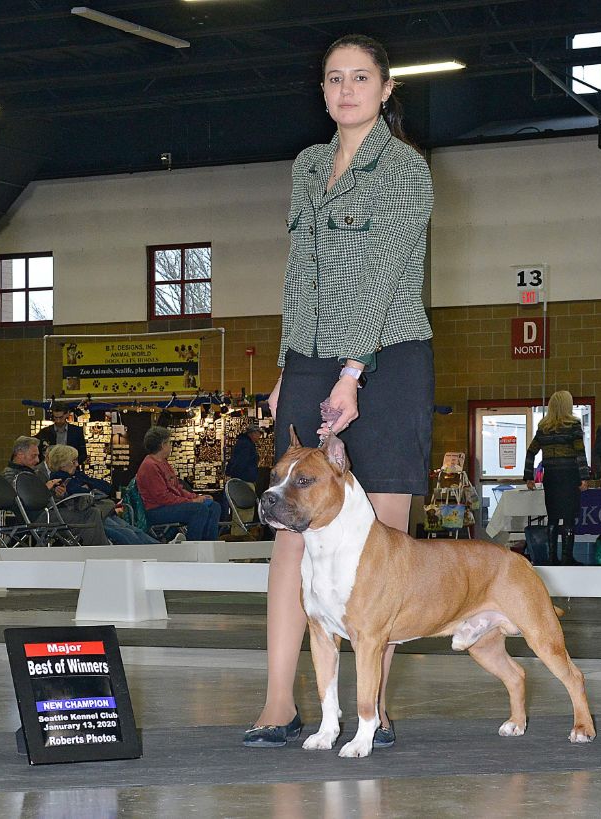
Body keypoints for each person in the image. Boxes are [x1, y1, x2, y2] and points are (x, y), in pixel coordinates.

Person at [246, 35, 434, 750]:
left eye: (361, 77)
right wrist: (289, 366)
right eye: (334, 77)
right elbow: (304, 274)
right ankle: (276, 702)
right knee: (291, 539)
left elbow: (387, 277)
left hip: (388, 361)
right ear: (322, 89)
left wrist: (353, 371)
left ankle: (371, 710)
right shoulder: (307, 166)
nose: (347, 88)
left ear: (386, 88)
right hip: (310, 358)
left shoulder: (407, 169)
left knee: (380, 547)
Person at [46, 444, 159, 545]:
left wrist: (88, 485)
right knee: (126, 532)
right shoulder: (60, 479)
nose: (77, 464)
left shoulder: (76, 475)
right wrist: (89, 486)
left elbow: (106, 487)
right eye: (73, 461)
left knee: (130, 530)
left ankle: (157, 548)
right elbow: (82, 492)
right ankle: (156, 550)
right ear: (62, 463)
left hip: (100, 510)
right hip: (90, 515)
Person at [524, 391, 589, 567]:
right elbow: (579, 453)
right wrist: (584, 476)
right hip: (569, 476)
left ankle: (552, 558)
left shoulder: (544, 427)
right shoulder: (573, 425)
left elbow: (531, 451)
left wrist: (528, 476)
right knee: (569, 518)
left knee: (552, 517)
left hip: (551, 476)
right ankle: (567, 559)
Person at [136, 426, 221, 541]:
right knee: (198, 510)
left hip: (168, 505)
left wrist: (197, 497)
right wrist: (191, 501)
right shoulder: (150, 466)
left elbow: (177, 488)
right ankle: (194, 546)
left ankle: (209, 544)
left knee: (214, 506)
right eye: (169, 443)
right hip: (157, 510)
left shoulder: (163, 463)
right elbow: (163, 498)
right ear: (162, 445)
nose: (171, 446)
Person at [225, 423, 262, 534]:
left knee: (240, 512)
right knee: (244, 512)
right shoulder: (246, 445)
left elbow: (234, 462)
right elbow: (240, 463)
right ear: (253, 433)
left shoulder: (243, 443)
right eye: (258, 433)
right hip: (244, 481)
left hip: (241, 481)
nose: (260, 436)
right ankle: (240, 536)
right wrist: (238, 479)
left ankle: (238, 535)